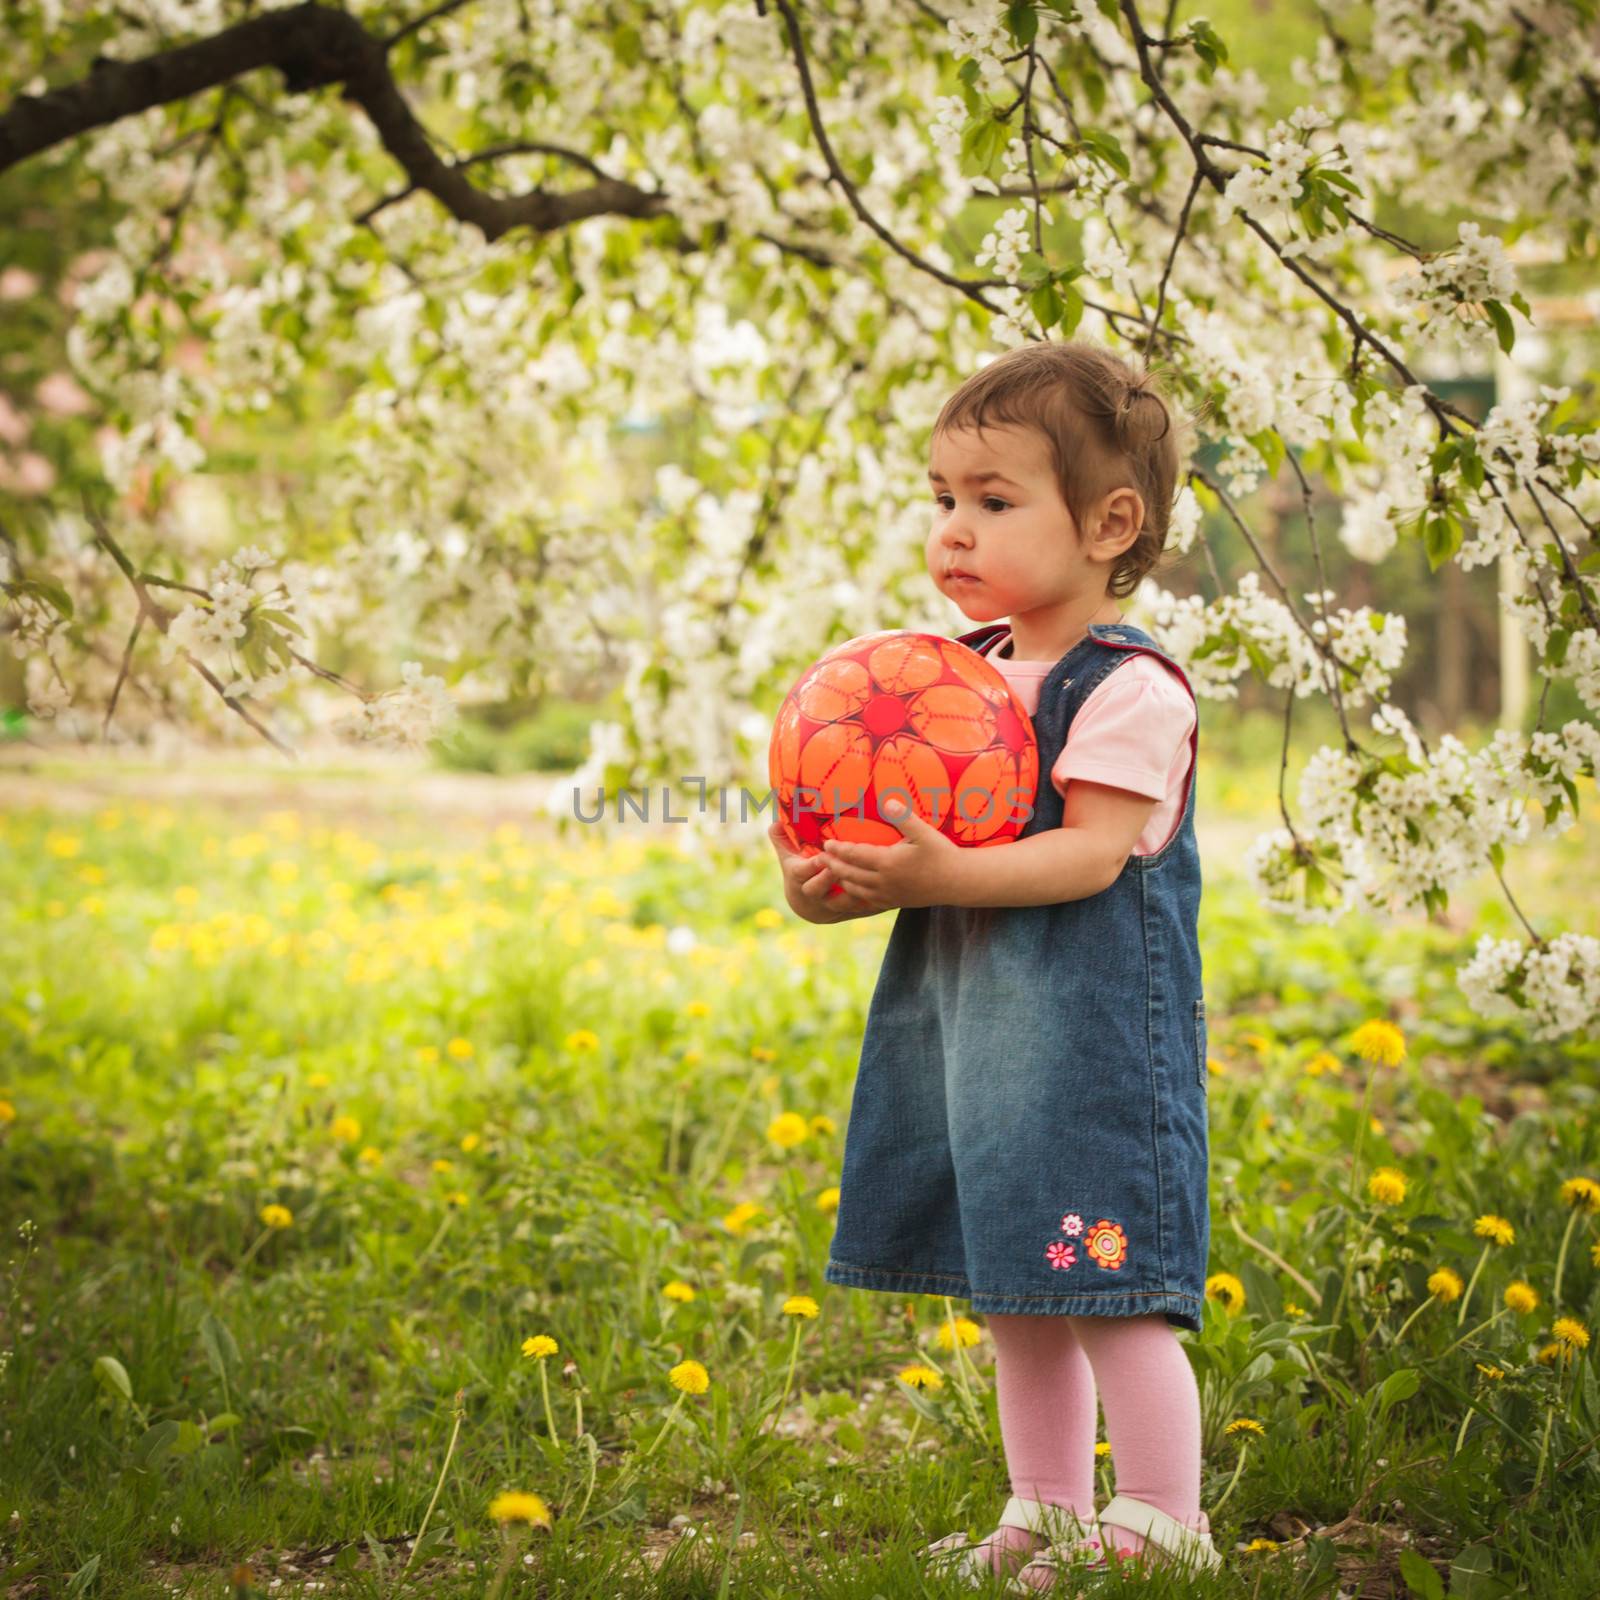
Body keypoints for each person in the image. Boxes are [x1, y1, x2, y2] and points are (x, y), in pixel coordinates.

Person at [768, 338, 1224, 1590]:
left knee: (1106, 1279)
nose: (953, 531)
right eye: (941, 500)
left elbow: (1084, 856)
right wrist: (829, 885)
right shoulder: (944, 684)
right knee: (1015, 1283)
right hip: (976, 1045)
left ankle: (1164, 1511)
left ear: (1106, 522)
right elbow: (909, 858)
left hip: (1089, 1053)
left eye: (993, 500)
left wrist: (937, 875)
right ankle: (1047, 1502)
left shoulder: (1129, 691)